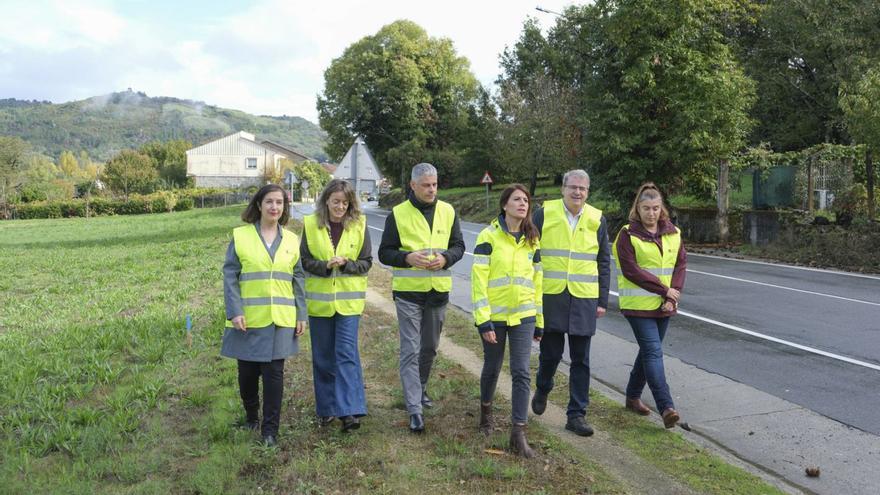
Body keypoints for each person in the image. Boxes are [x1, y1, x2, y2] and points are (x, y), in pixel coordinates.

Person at [378, 162, 466, 433]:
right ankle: (414, 408)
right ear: (413, 186)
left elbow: (459, 246)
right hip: (408, 294)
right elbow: (385, 253)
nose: (432, 189)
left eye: (435, 184)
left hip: (437, 293)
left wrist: (446, 258)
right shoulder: (398, 214)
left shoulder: (448, 211)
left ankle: (421, 388)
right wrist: (406, 257)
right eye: (426, 185)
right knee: (410, 350)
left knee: (429, 348)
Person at [222, 184, 307, 446]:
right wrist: (235, 310)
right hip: (248, 318)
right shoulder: (241, 236)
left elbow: (299, 277)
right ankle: (251, 416)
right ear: (259, 205)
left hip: (281, 318)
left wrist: (301, 313)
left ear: (284, 208)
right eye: (269, 202)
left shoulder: (292, 239)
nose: (274, 207)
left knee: (274, 374)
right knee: (247, 374)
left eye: (279, 203)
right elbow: (230, 275)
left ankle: (270, 431)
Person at [531, 169, 611, 437]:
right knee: (551, 354)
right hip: (551, 294)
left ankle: (576, 415)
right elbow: (529, 250)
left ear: (588, 192)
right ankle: (543, 387)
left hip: (584, 297)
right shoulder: (544, 213)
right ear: (563, 188)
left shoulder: (597, 219)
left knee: (581, 359)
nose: (578, 192)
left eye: (583, 189)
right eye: (573, 187)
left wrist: (602, 299)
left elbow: (603, 260)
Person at [471, 184, 543, 457]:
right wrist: (484, 321)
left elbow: (538, 282)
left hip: (524, 315)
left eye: (526, 200)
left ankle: (518, 433)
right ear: (505, 205)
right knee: (492, 367)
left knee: (522, 371)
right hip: (495, 317)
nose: (523, 204)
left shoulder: (532, 240)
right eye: (517, 199)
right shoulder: (487, 236)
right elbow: (478, 283)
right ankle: (486, 414)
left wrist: (539, 319)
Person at [611, 182, 686, 428]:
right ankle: (666, 407)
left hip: (664, 306)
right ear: (638, 209)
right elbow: (632, 271)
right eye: (646, 208)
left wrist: (671, 296)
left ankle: (632, 397)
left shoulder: (673, 232)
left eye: (655, 208)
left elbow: (680, 265)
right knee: (654, 352)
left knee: (647, 352)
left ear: (661, 208)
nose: (651, 213)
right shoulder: (627, 235)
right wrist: (665, 290)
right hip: (638, 306)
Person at [300, 179, 372, 432]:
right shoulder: (310, 225)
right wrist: (324, 266)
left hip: (349, 304)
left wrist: (346, 264)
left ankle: (350, 411)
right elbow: (304, 261)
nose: (340, 207)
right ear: (326, 201)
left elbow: (366, 262)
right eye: (336, 201)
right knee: (323, 357)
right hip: (320, 304)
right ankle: (327, 409)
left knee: (345, 354)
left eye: (345, 202)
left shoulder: (360, 224)